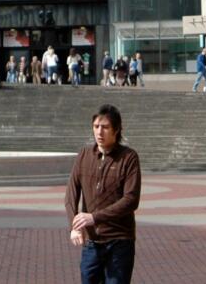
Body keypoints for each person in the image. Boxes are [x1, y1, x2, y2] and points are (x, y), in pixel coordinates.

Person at [65, 104, 141, 284]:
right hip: (92, 243)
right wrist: (74, 226)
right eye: (96, 127)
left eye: (105, 127)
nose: (100, 132)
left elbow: (131, 200)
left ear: (116, 130)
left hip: (119, 240)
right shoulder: (84, 155)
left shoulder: (129, 158)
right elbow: (71, 194)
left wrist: (94, 217)